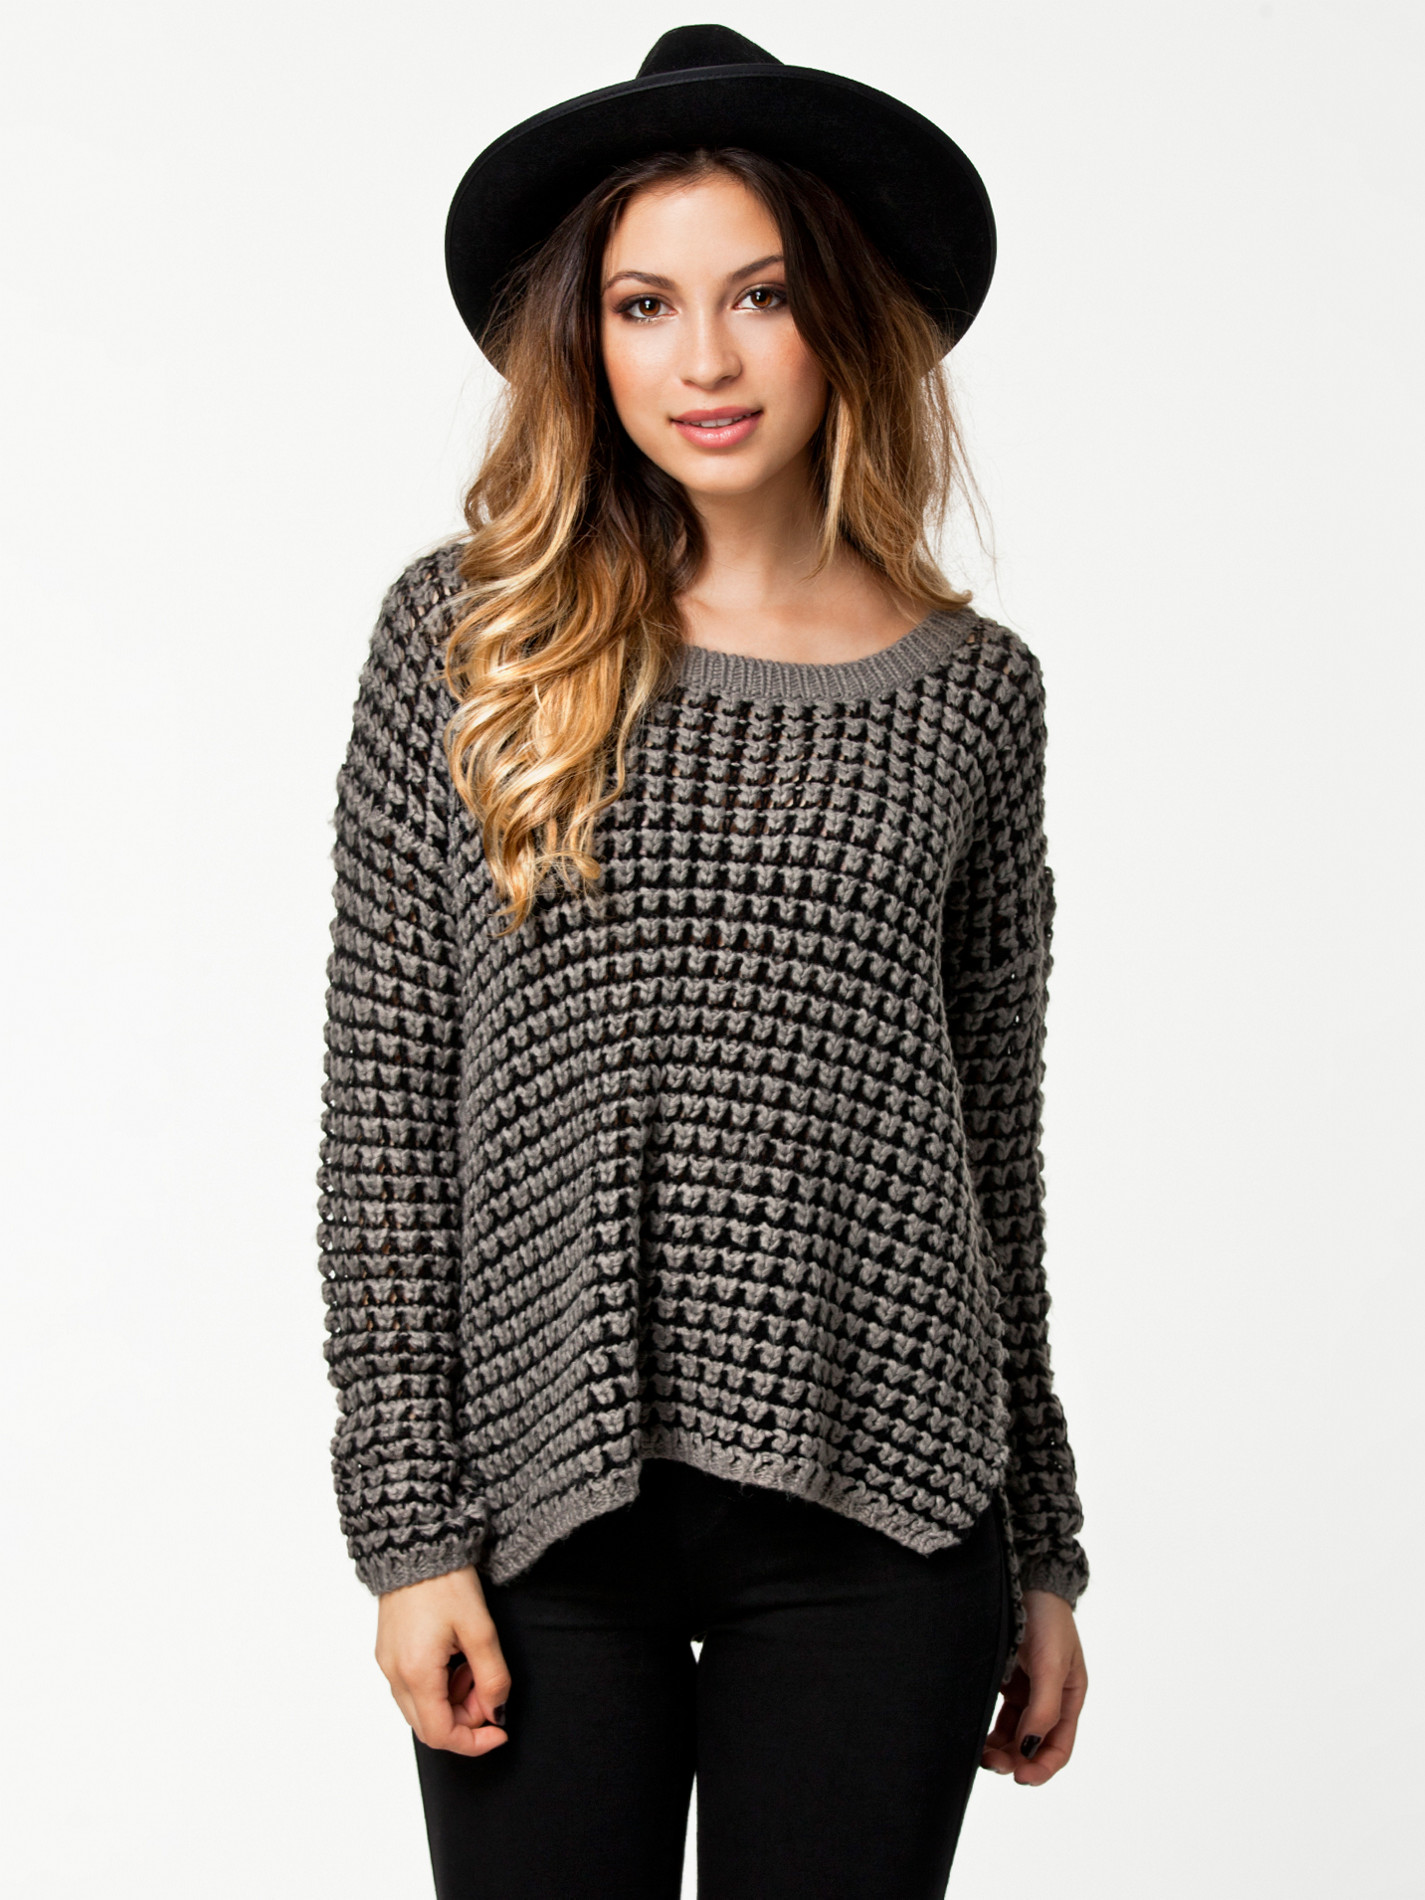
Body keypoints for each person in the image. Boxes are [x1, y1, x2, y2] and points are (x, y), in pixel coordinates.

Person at [317, 25, 1089, 1900]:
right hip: (535, 1504)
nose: (707, 361)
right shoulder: (465, 639)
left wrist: (1044, 1547)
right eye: (646, 305)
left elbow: (990, 1148)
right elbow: (386, 1115)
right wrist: (407, 1529)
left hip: (886, 1508)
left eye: (760, 295)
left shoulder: (969, 696)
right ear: (585, 340)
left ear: (844, 321)